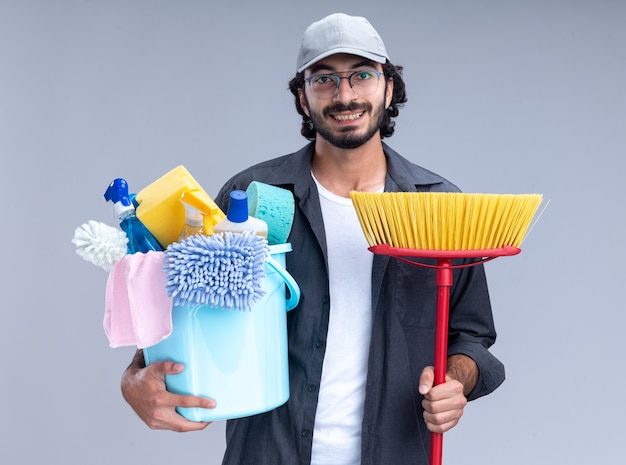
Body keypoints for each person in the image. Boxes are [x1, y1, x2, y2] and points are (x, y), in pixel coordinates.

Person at [121, 12, 505, 465]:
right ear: (302, 98)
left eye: (361, 75)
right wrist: (134, 380)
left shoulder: (440, 206)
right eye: (324, 79)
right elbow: (183, 314)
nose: (344, 95)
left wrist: (457, 381)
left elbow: (472, 336)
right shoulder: (251, 198)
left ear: (389, 87)